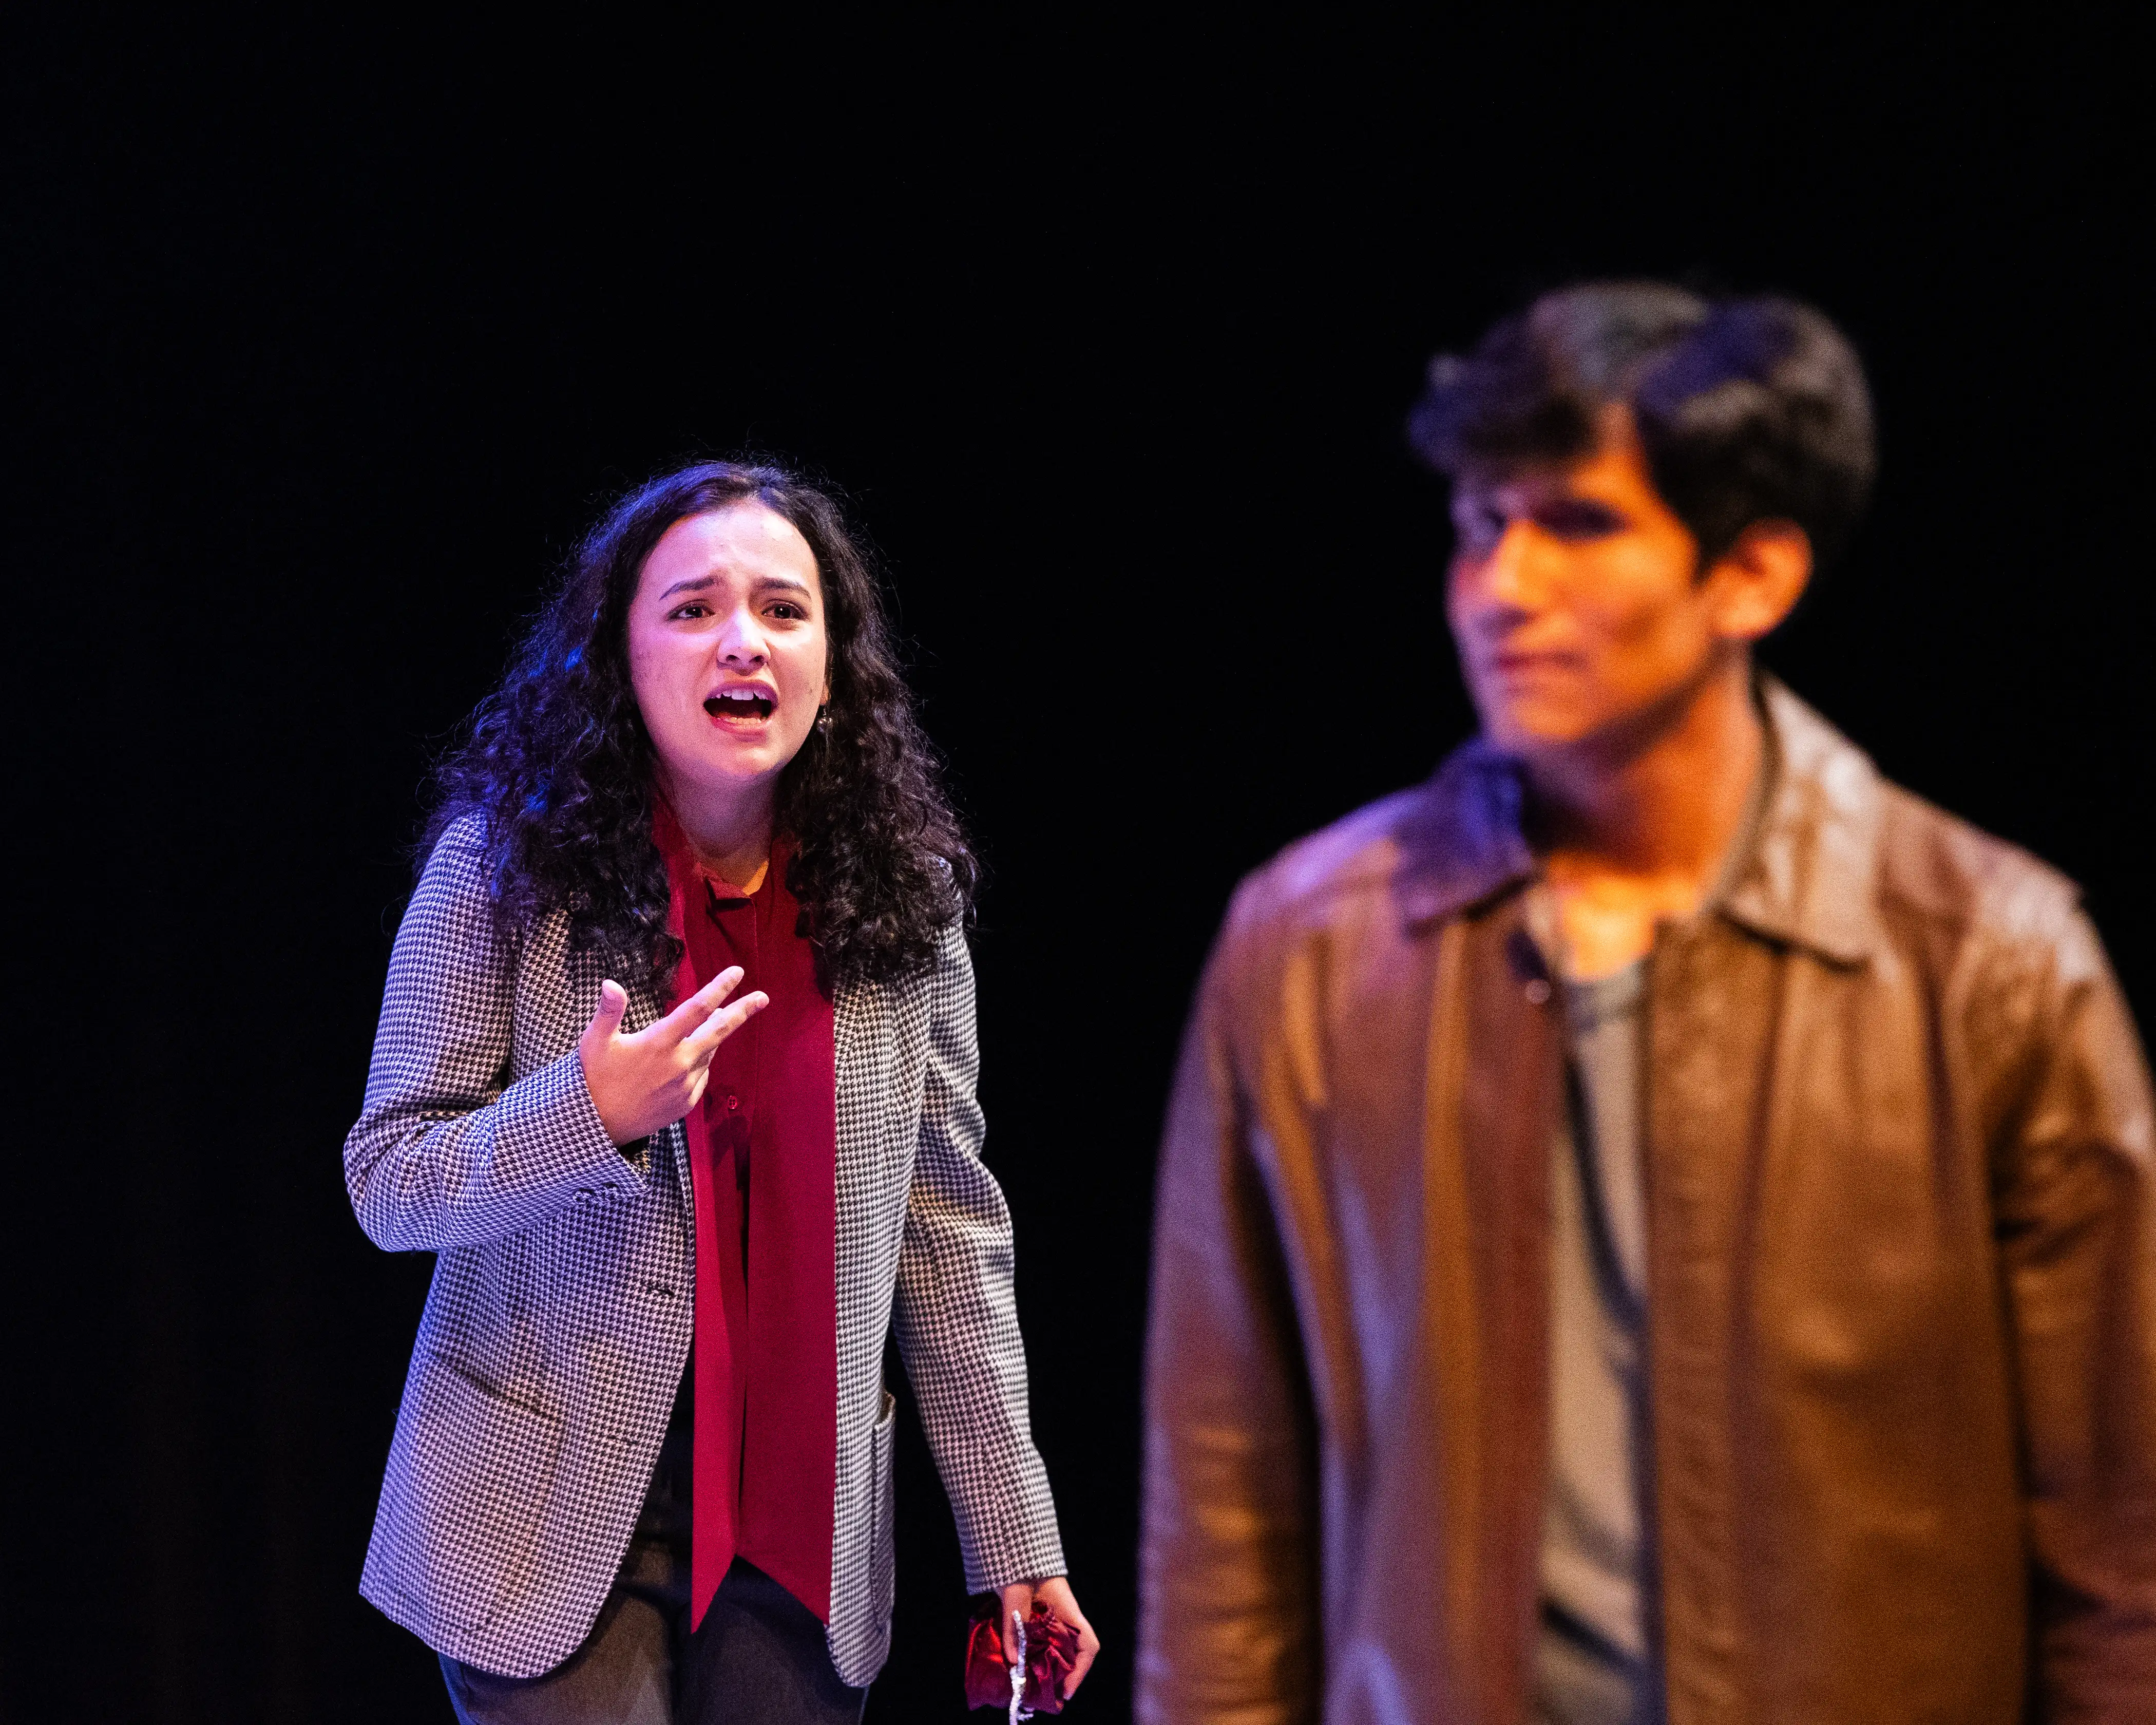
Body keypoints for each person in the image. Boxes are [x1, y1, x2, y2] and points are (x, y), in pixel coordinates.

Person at [1137, 282, 2156, 1723]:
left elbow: (2120, 1556)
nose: (1502, 584)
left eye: (1577, 523)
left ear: (1748, 574)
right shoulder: (1304, 948)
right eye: (1480, 526)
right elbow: (1219, 1509)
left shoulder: (1984, 958)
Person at [346, 461, 1097, 1723]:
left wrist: (1015, 1532)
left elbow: (945, 1225)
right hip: (549, 1505)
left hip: (800, 1527)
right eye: (692, 608)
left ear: (830, 658)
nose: (741, 638)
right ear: (621, 656)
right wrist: (585, 1112)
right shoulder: (499, 868)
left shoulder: (906, 900)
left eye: (781, 609)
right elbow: (389, 1178)